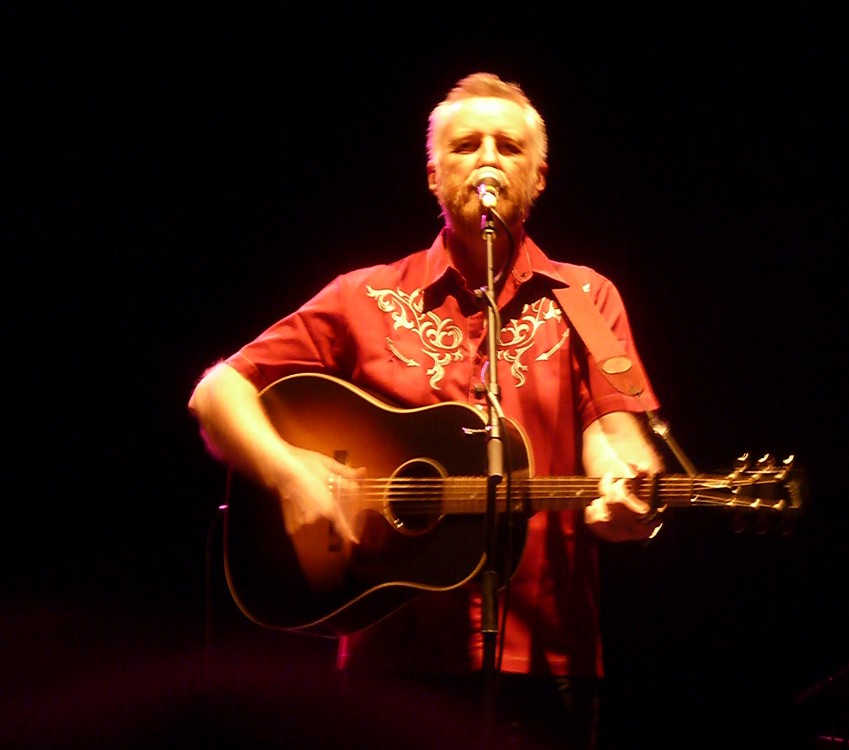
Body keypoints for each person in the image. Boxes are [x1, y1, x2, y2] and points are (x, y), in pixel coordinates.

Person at [188, 72, 667, 749]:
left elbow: (615, 440)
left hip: (549, 663)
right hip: (393, 665)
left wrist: (630, 492)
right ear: (434, 175)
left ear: (540, 177)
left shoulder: (587, 298)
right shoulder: (364, 296)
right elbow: (217, 391)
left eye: (509, 147)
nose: (488, 161)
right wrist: (290, 471)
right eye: (467, 145)